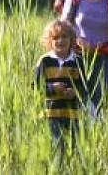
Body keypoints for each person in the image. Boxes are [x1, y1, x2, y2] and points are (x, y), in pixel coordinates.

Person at [34, 19, 87, 156]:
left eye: (65, 36)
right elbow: (36, 87)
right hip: (51, 114)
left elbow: (84, 88)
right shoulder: (45, 61)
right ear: (49, 41)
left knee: (72, 148)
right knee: (57, 148)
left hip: (72, 114)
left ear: (71, 39)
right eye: (56, 37)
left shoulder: (78, 61)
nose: (61, 41)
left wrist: (74, 93)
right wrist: (52, 88)